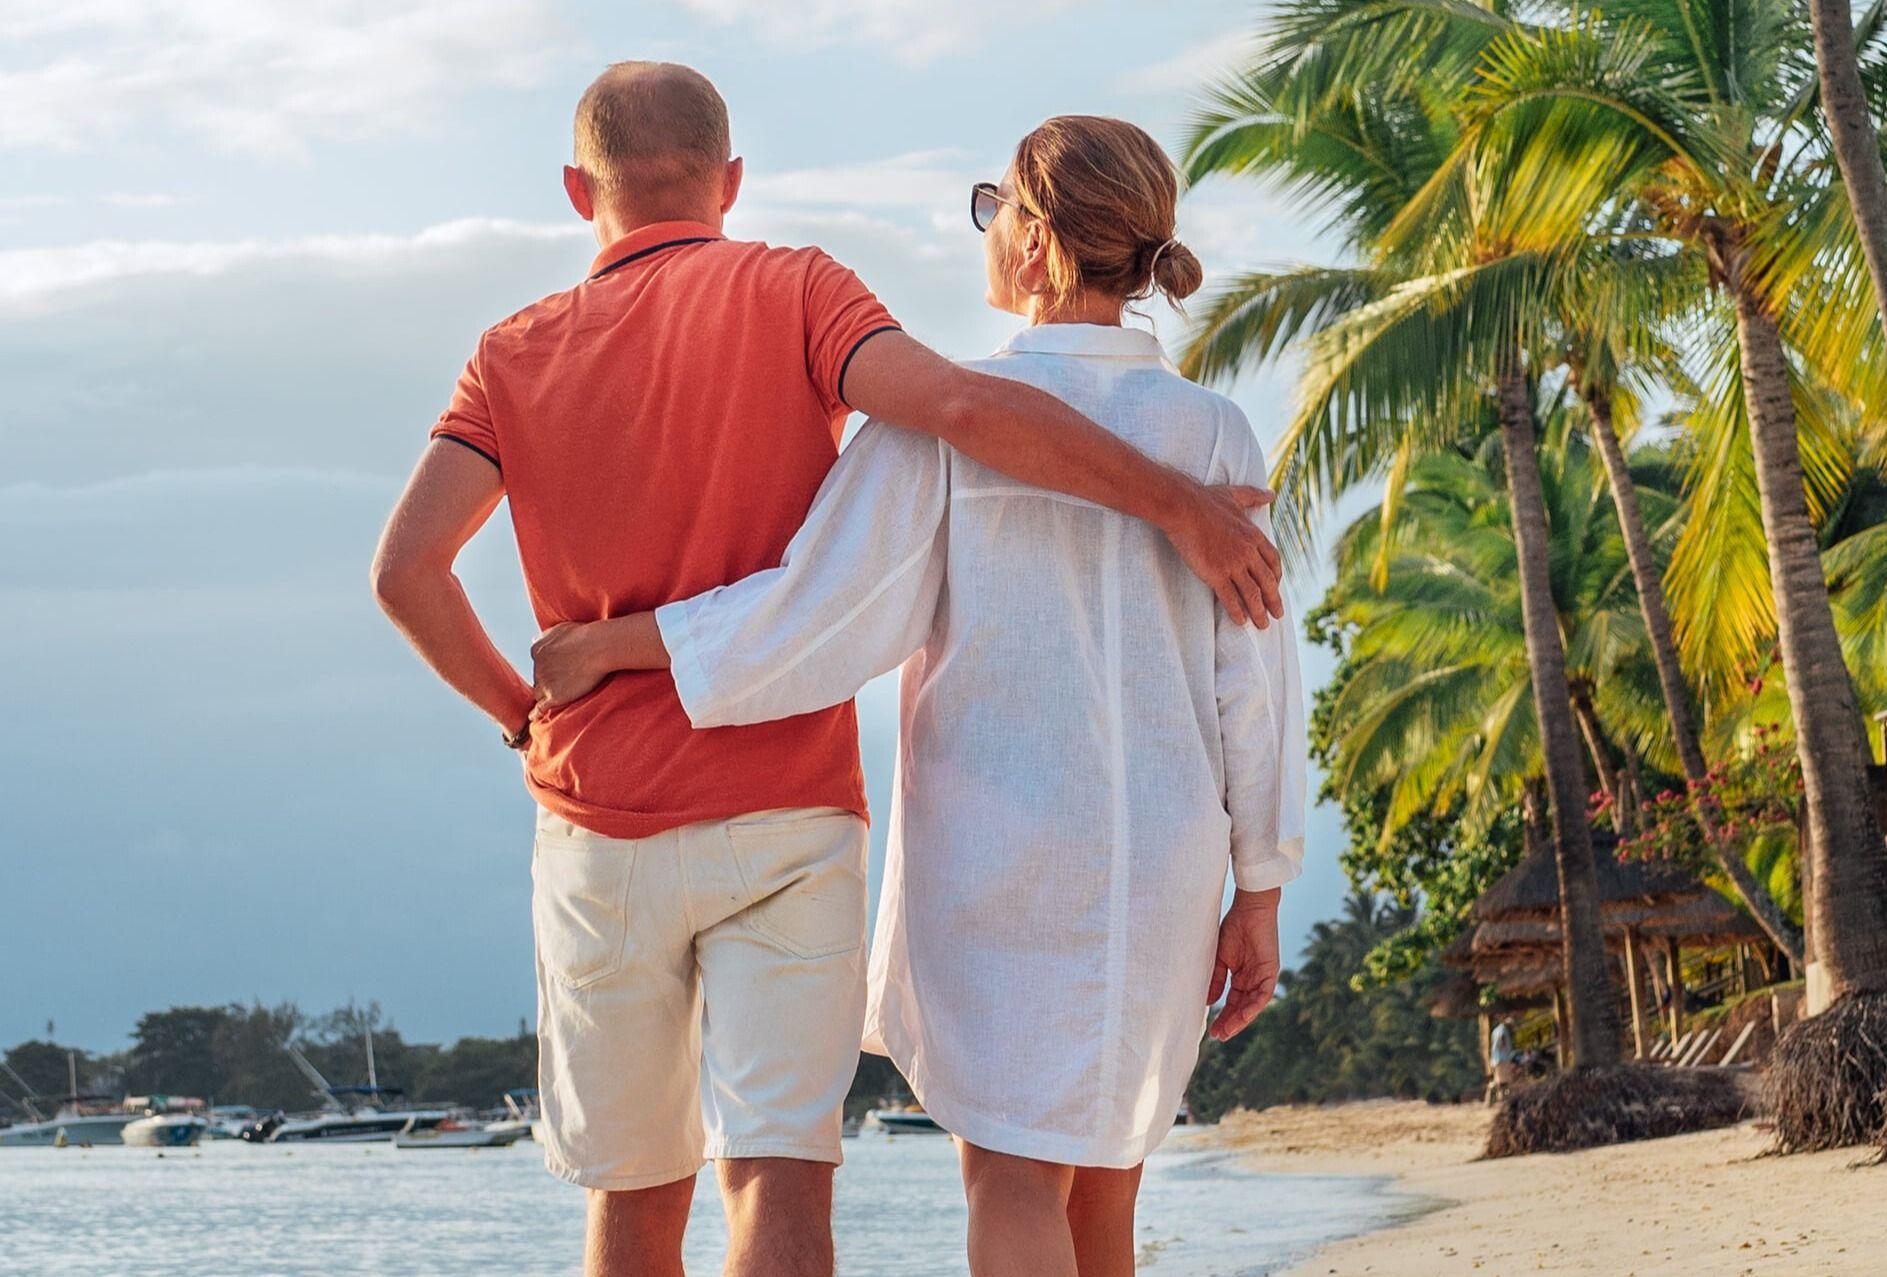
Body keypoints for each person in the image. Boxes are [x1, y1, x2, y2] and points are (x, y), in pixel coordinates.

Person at [371, 64, 1279, 1277]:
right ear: (729, 178)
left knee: (729, 1194)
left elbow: (814, 612)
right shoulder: (1208, 431)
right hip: (1020, 840)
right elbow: (1250, 684)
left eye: (990, 208)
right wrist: (1260, 877)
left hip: (842, 835)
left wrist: (559, 687)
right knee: (1004, 1177)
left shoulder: (521, 352)